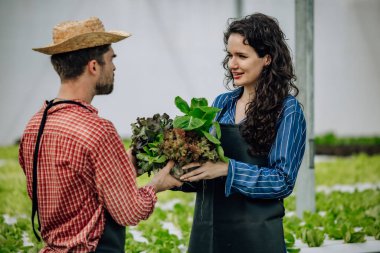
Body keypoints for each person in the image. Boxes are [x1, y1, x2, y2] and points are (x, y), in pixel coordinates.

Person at [18, 17, 182, 252]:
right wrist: (157, 184)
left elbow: (72, 191)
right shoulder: (97, 129)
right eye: (111, 59)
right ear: (94, 66)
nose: (114, 67)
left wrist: (126, 164)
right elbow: (129, 212)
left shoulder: (35, 126)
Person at [179, 13, 306, 253]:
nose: (232, 64)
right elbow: (207, 172)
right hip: (211, 233)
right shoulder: (222, 104)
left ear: (267, 58)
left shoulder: (287, 111)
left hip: (257, 237)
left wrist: (228, 169)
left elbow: (282, 181)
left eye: (242, 56)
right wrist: (178, 172)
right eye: (230, 55)